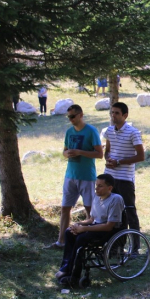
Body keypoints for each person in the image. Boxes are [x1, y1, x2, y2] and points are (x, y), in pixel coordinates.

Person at [46, 105, 103, 249]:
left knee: (89, 209)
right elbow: (64, 151)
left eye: (73, 116)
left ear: (80, 115)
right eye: (69, 117)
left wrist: (80, 152)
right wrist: (67, 154)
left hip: (87, 176)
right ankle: (61, 241)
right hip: (70, 175)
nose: (70, 119)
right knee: (65, 208)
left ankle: (89, 240)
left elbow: (99, 154)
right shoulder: (69, 132)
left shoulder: (91, 131)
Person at [56, 174, 125, 286]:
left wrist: (84, 229)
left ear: (110, 188)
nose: (96, 189)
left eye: (100, 186)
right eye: (96, 185)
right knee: (69, 232)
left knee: (81, 239)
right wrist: (78, 224)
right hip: (95, 226)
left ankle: (74, 275)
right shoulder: (96, 198)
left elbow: (109, 226)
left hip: (107, 231)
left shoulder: (116, 199)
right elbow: (92, 219)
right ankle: (65, 267)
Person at [104, 102, 145, 240]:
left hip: (125, 179)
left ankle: (135, 247)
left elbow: (141, 156)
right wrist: (108, 159)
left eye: (116, 113)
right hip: (109, 177)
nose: (113, 115)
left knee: (129, 212)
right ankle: (117, 246)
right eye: (112, 112)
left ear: (125, 115)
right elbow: (107, 151)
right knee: (114, 214)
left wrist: (119, 162)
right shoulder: (109, 131)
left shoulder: (133, 132)